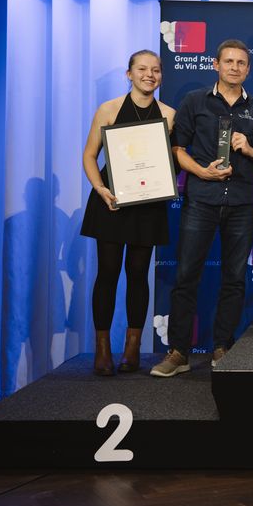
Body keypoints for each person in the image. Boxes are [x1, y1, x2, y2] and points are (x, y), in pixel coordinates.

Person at [151, 39, 253, 377]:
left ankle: (223, 347)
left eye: (241, 63)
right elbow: (177, 149)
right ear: (216, 65)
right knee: (186, 276)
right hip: (201, 199)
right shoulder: (195, 101)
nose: (235, 67)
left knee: (234, 279)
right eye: (229, 61)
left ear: (248, 69)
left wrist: (251, 150)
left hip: (242, 202)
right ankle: (179, 352)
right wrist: (201, 171)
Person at [81, 50, 177, 376]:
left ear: (161, 75)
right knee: (107, 272)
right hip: (112, 200)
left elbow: (171, 163)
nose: (149, 75)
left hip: (148, 203)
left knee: (138, 273)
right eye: (142, 69)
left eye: (156, 70)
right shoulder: (108, 109)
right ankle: (102, 348)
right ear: (129, 74)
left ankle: (132, 347)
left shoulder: (169, 115)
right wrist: (100, 189)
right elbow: (89, 155)